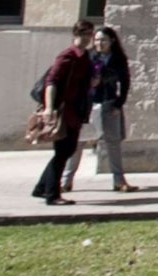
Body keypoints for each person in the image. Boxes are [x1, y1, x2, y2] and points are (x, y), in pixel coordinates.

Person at [64, 24, 141, 194]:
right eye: (97, 40)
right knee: (78, 143)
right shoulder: (89, 56)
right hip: (89, 105)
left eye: (103, 40)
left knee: (113, 143)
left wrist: (118, 104)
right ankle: (66, 181)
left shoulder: (118, 59)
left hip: (109, 104)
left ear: (112, 41)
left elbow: (125, 83)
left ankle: (119, 181)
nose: (99, 43)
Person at [32, 20, 97, 206]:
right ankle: (52, 194)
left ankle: (41, 187)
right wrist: (49, 108)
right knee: (63, 151)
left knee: (66, 150)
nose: (86, 38)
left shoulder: (85, 57)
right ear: (75, 35)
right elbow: (51, 82)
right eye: (83, 34)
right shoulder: (67, 55)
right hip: (63, 110)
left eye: (89, 34)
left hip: (76, 110)